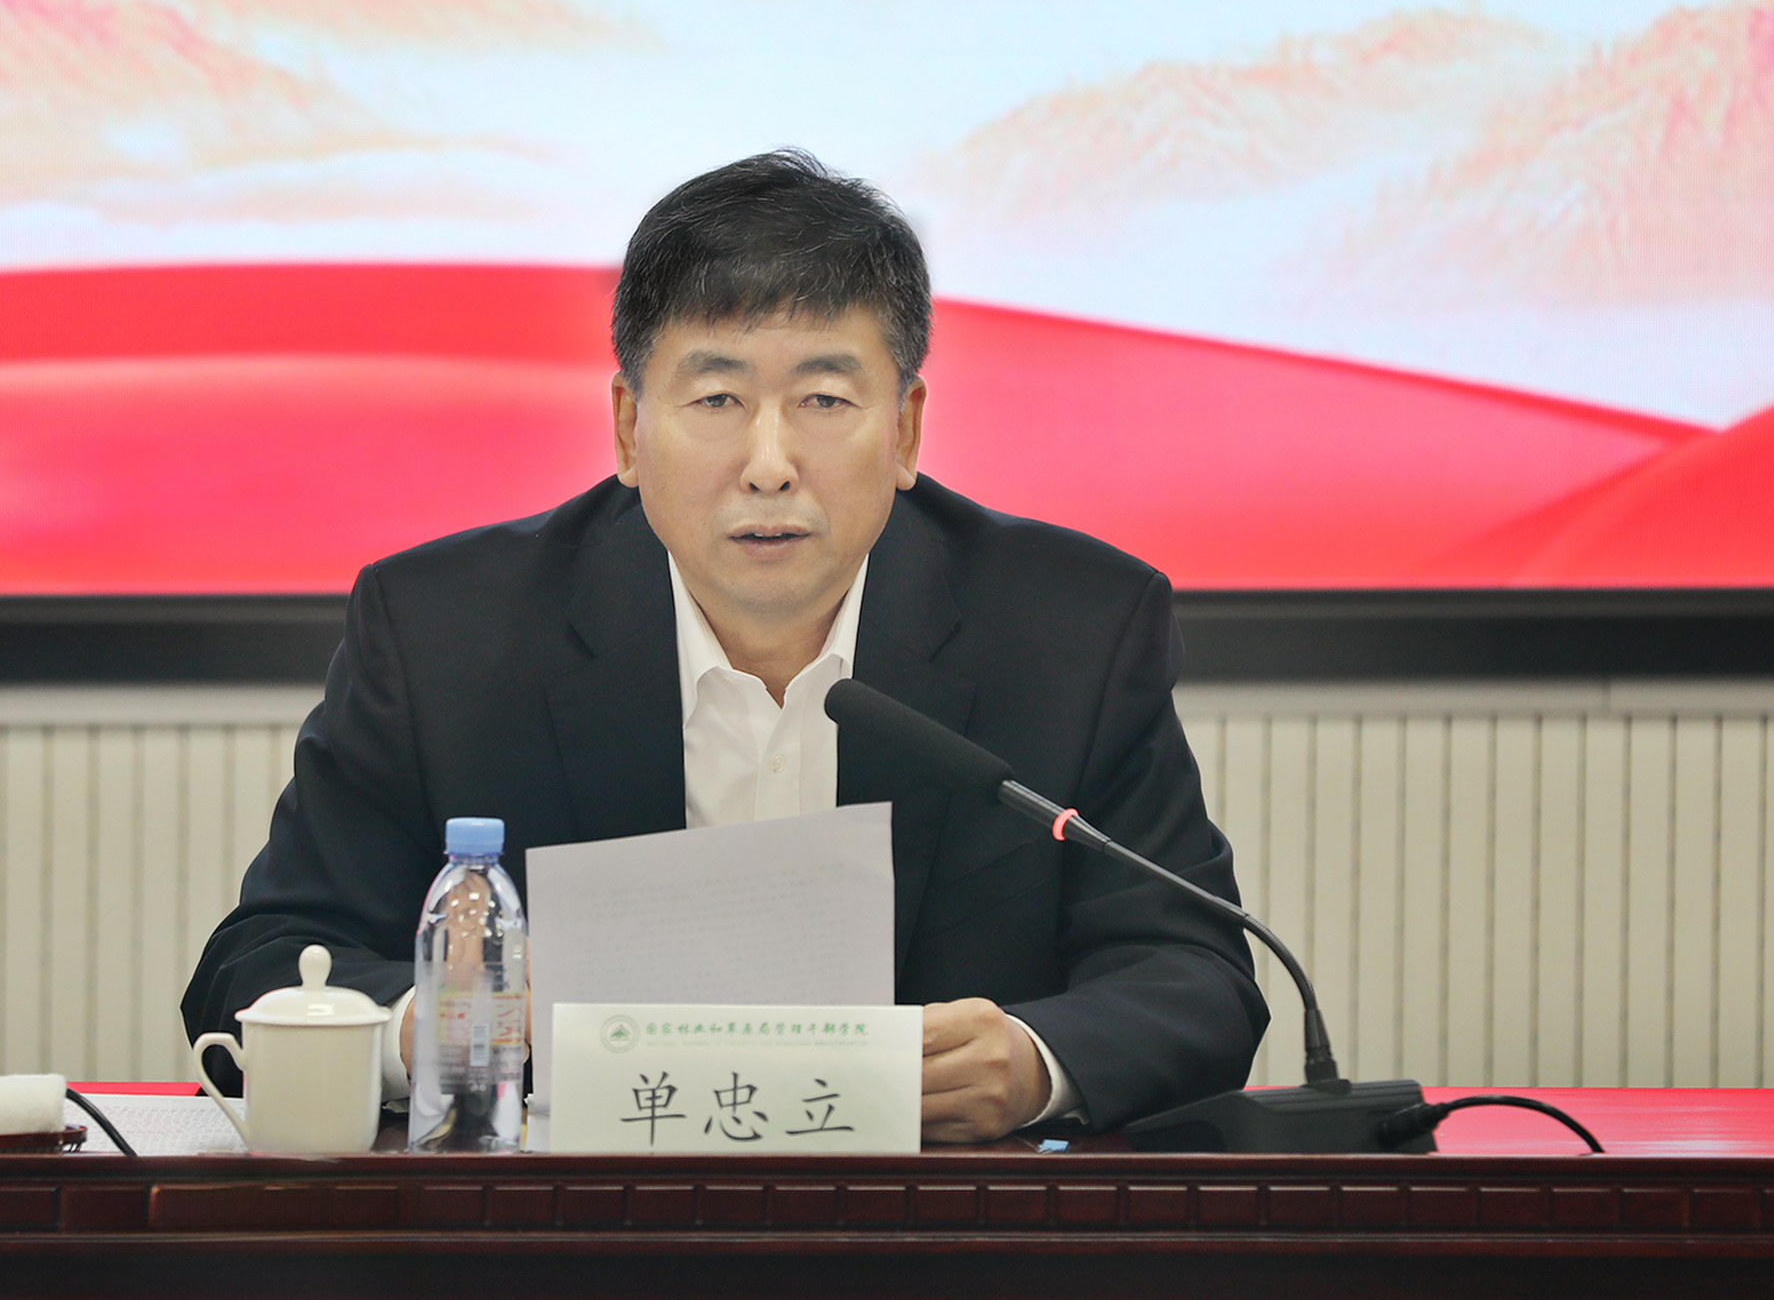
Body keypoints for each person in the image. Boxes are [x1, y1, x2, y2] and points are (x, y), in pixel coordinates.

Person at [183, 150, 1266, 1139]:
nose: (769, 463)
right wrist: (440, 1028)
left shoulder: (1070, 630)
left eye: (824, 398)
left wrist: (1034, 1062)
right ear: (628, 428)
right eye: (716, 398)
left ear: (904, 430)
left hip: (939, 1234)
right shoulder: (446, 634)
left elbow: (1195, 971)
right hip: (568, 1235)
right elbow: (260, 965)